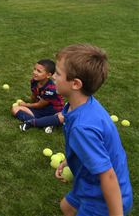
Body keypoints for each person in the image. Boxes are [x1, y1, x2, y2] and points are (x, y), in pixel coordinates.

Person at [53, 44, 132, 216]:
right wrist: (69, 160)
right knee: (66, 208)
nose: (53, 76)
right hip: (88, 184)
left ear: (75, 84)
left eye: (58, 73)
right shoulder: (81, 105)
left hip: (101, 200)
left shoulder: (83, 127)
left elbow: (108, 176)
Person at [11, 59, 65, 133]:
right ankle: (44, 123)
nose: (34, 72)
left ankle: (44, 121)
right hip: (41, 110)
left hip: (52, 111)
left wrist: (25, 105)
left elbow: (39, 105)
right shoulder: (34, 81)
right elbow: (34, 95)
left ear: (48, 75)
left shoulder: (51, 89)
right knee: (15, 109)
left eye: (39, 71)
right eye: (34, 69)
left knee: (17, 109)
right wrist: (30, 103)